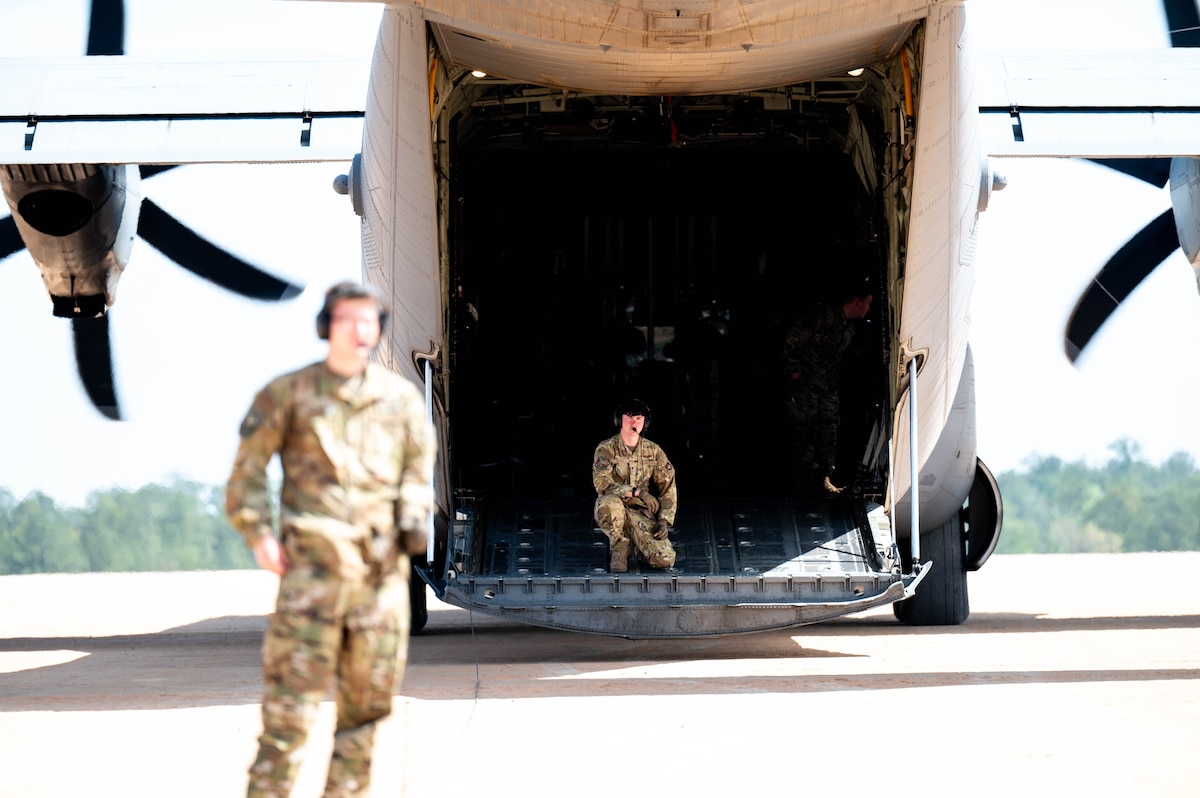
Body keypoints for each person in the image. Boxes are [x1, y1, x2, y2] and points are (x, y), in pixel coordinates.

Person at [225, 281, 435, 798]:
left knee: (364, 721)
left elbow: (417, 472)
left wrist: (413, 519)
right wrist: (258, 534)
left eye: (369, 321)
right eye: (347, 320)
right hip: (311, 583)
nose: (359, 330)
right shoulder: (287, 394)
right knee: (288, 719)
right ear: (326, 327)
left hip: (379, 585)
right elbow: (246, 473)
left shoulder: (401, 401)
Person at [782, 284, 873, 496]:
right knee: (806, 429)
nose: (868, 309)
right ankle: (800, 483)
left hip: (827, 385)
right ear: (857, 302)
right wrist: (794, 372)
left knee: (829, 428)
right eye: (867, 304)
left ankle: (823, 478)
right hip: (806, 384)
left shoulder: (849, 327)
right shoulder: (822, 316)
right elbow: (793, 342)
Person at [592, 398, 677, 572]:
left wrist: (664, 520)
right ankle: (619, 549)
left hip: (640, 511)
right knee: (611, 504)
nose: (634, 422)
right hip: (614, 505)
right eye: (629, 417)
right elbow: (602, 482)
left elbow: (668, 486)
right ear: (619, 420)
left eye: (639, 418)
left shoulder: (653, 450)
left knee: (665, 559)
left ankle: (635, 547)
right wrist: (638, 492)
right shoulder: (607, 448)